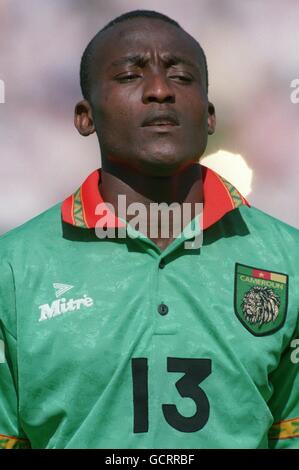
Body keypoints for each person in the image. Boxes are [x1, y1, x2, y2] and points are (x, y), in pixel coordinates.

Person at [0, 9, 298, 450]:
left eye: (181, 77)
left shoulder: (286, 257)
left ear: (210, 116)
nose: (161, 90)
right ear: (86, 116)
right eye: (128, 76)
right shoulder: (15, 268)